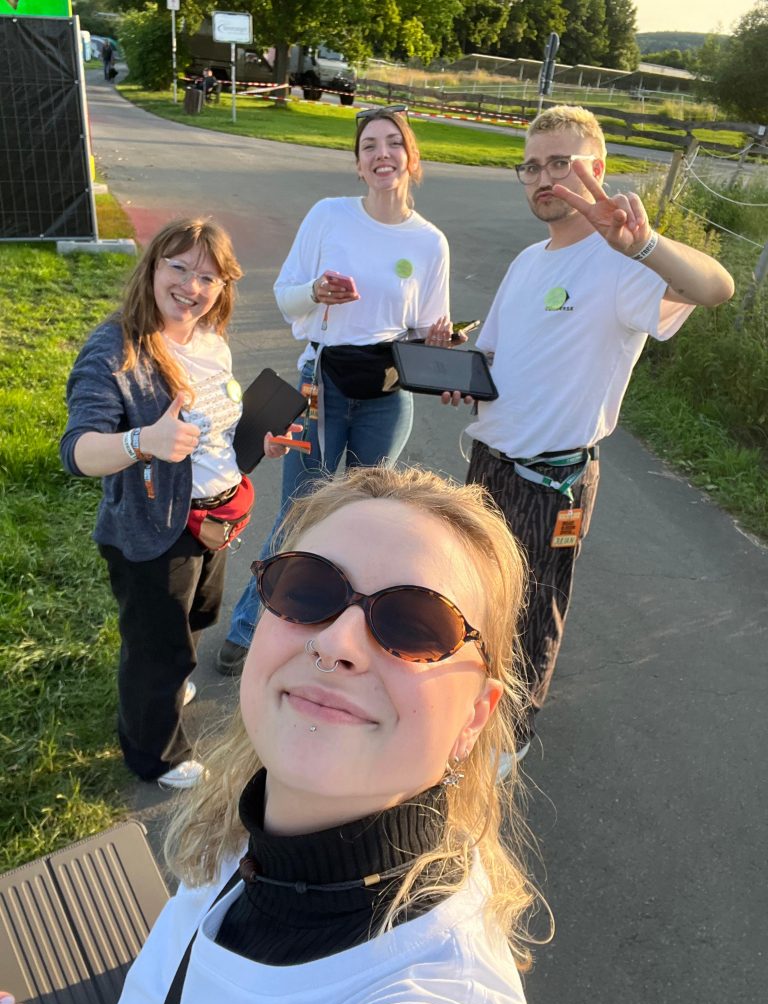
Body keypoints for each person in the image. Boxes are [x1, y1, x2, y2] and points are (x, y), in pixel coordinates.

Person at [0, 465, 541, 1004]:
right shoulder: (247, 835)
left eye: (415, 625)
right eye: (308, 591)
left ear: (474, 717)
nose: (335, 642)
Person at [446, 105, 735, 757]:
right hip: (490, 459)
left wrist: (647, 245)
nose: (544, 177)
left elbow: (719, 287)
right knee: (479, 596)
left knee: (532, 610)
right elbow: (495, 351)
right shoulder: (527, 261)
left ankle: (508, 742)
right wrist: (461, 362)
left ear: (596, 171)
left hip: (552, 477)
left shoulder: (623, 263)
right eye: (533, 165)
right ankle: (476, 708)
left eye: (561, 164)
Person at [217, 104, 456, 675]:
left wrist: (441, 341)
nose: (382, 154)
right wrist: (316, 294)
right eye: (369, 145)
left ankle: (336, 623)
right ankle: (251, 626)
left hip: (386, 395)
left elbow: (425, 331)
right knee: (299, 512)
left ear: (411, 156)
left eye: (393, 143)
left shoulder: (430, 243)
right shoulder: (329, 216)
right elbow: (285, 296)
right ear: (357, 163)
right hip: (319, 383)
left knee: (362, 513)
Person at [60, 217, 290, 790]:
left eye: (208, 276)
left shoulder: (211, 339)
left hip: (214, 517)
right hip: (151, 528)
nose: (192, 286)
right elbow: (78, 450)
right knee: (155, 646)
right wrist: (143, 443)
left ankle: (167, 680)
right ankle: (153, 752)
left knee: (196, 618)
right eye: (179, 268)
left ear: (223, 286)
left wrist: (255, 444)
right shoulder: (116, 348)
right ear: (153, 268)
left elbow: (213, 433)